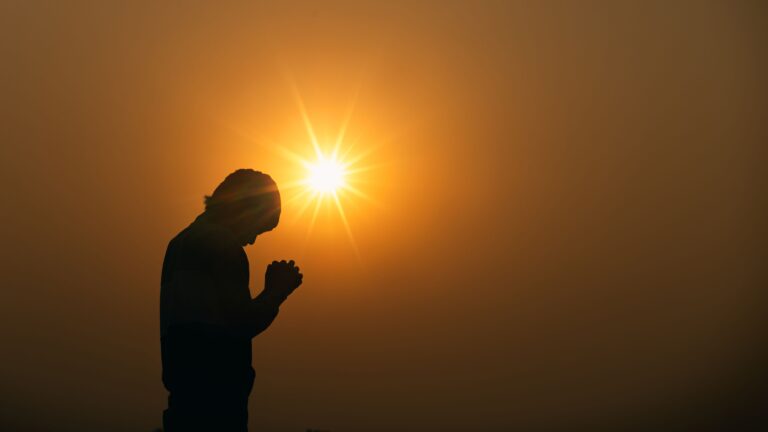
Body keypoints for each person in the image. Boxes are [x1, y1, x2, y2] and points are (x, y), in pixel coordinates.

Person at [160, 169, 303, 432]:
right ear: (245, 210)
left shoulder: (179, 242)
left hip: (183, 400)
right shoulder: (222, 245)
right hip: (215, 405)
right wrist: (276, 291)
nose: (251, 240)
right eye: (258, 227)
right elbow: (241, 323)